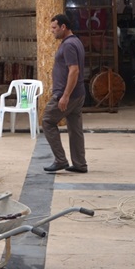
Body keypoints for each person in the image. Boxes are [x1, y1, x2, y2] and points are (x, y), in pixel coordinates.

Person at [42, 14, 88, 173]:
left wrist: (65, 95)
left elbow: (74, 70)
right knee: (75, 129)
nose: (52, 31)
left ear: (63, 27)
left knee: (47, 120)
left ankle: (60, 160)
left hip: (69, 94)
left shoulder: (69, 45)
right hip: (78, 93)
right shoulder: (75, 41)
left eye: (54, 28)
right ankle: (80, 164)